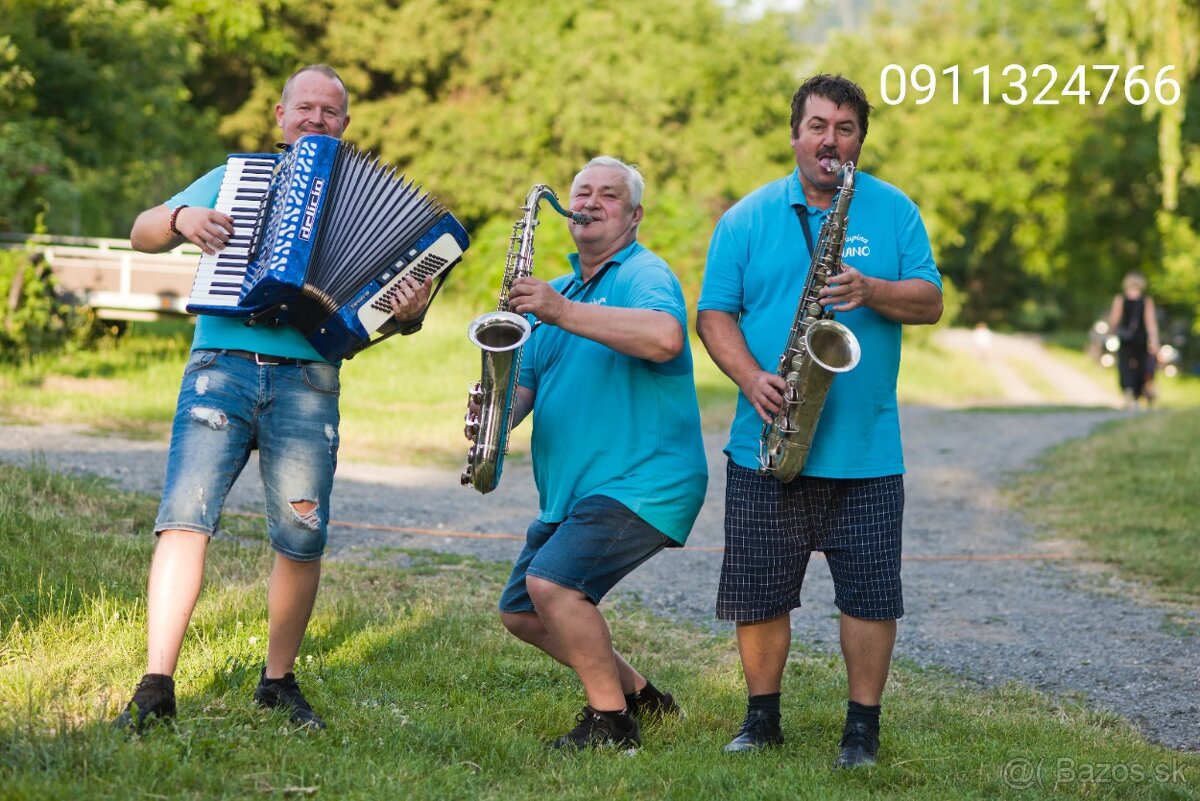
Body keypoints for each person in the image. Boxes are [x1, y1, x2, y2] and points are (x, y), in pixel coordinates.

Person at [113, 64, 432, 732]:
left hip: (308, 380)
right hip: (220, 366)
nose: (317, 119)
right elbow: (141, 230)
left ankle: (278, 680)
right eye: (305, 107)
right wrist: (181, 216)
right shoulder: (236, 178)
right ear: (279, 116)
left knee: (301, 534)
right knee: (184, 518)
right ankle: (156, 681)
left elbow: (378, 321)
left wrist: (410, 311)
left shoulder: (366, 200)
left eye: (331, 112)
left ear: (345, 125)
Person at [696, 74, 943, 768]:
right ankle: (760, 719)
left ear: (859, 139)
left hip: (866, 449)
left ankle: (861, 729)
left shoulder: (894, 211)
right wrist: (751, 378)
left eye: (845, 128)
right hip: (767, 439)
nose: (830, 140)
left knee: (869, 594)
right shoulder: (746, 216)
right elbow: (713, 314)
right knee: (759, 590)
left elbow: (930, 301)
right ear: (795, 132)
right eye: (818, 125)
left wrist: (874, 289)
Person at [484, 156, 707, 751]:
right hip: (575, 489)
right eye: (583, 191)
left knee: (554, 586)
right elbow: (524, 387)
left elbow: (663, 338)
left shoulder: (644, 273)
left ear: (633, 217)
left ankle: (612, 724)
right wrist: (493, 421)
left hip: (643, 480)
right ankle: (642, 697)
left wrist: (559, 311)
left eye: (610, 195)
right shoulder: (553, 293)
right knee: (522, 610)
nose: (591, 201)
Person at [1107, 271, 1160, 410]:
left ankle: (1127, 390)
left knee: (1125, 364)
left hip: (1125, 339)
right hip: (1141, 338)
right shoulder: (1146, 300)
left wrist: (1111, 332)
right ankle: (1136, 395)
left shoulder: (1120, 299)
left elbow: (1114, 319)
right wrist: (1154, 339)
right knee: (1140, 366)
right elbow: (1150, 321)